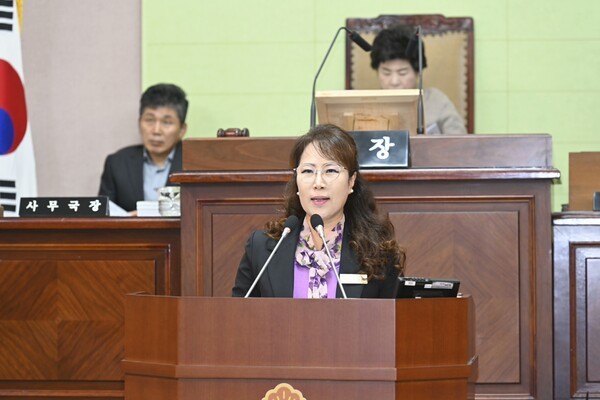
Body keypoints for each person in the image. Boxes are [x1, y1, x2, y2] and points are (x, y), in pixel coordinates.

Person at [232, 124, 405, 298]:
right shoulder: (261, 249)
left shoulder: (378, 252)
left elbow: (393, 314)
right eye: (308, 171)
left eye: (330, 170)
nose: (318, 183)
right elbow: (238, 312)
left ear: (351, 181)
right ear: (297, 180)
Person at [98, 83, 188, 213]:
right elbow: (102, 215)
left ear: (182, 130)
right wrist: (129, 221)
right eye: (150, 120)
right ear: (139, 123)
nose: (156, 130)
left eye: (167, 122)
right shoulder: (117, 163)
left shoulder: (195, 165)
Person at [370, 26, 467, 135]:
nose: (394, 81)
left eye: (402, 73)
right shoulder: (366, 103)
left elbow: (460, 141)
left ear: (417, 71)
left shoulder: (437, 101)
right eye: (386, 73)